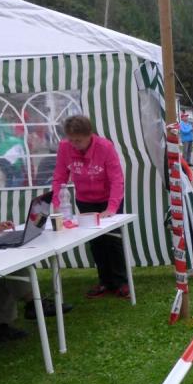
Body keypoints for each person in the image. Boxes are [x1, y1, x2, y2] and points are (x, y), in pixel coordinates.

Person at [52, 115, 128, 298]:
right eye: (71, 140)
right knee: (96, 242)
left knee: (113, 240)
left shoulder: (105, 147)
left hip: (108, 199)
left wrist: (111, 208)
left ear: (89, 135)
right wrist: (56, 203)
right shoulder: (64, 147)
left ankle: (121, 282)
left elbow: (117, 179)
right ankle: (105, 281)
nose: (74, 144)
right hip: (85, 200)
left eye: (78, 140)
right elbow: (60, 176)